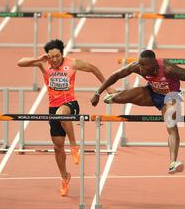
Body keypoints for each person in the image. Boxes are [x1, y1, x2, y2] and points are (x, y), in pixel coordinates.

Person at [17, 39, 115, 196]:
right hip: (53, 107)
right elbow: (20, 63)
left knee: (62, 114)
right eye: (52, 57)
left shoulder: (73, 63)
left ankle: (74, 146)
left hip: (70, 104)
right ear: (48, 56)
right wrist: (38, 60)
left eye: (57, 56)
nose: (55, 60)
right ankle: (64, 177)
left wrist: (107, 87)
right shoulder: (43, 64)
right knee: (57, 147)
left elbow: (93, 69)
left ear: (62, 54)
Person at [90, 49, 185, 174]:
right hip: (151, 93)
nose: (140, 68)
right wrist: (97, 93)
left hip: (171, 98)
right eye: (139, 63)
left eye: (143, 65)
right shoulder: (137, 67)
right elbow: (117, 75)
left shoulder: (168, 69)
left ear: (153, 64)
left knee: (171, 125)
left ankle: (173, 163)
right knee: (116, 98)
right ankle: (115, 95)